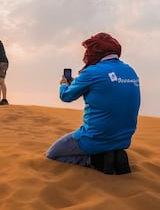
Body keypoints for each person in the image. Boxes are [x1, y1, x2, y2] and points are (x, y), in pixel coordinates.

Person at [46, 32, 141, 174]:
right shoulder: (130, 71)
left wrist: (63, 84)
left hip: (94, 137)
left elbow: (66, 96)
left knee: (53, 154)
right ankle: (113, 155)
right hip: (123, 140)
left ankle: (95, 160)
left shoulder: (91, 72)